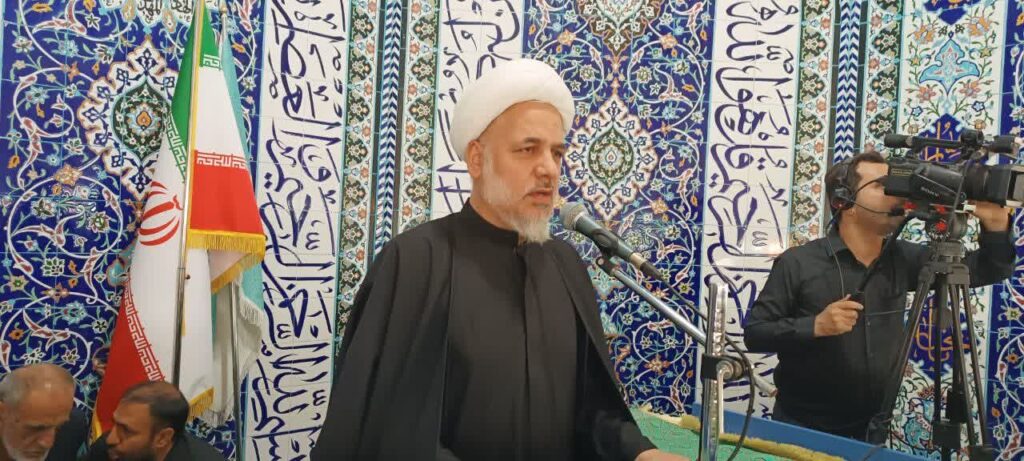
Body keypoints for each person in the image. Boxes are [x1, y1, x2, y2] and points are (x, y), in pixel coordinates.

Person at [311, 58, 686, 461]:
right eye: (528, 149)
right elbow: (391, 431)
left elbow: (592, 414)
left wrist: (641, 454)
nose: (548, 169)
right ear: (477, 158)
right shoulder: (417, 261)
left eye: (557, 153)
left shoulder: (565, 266)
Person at [743, 150, 1015, 443]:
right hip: (799, 428)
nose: (895, 195)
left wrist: (996, 228)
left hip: (871, 430)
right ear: (844, 201)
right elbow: (755, 333)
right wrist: (815, 326)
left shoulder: (904, 258)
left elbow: (988, 269)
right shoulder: (798, 263)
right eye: (881, 186)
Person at [84, 381, 223, 461]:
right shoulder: (108, 448)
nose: (111, 438)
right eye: (115, 423)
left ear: (163, 438)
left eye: (126, 430)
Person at [0, 363, 83, 461]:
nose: (48, 443)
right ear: (2, 412)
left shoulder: (72, 427)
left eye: (58, 427)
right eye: (37, 428)